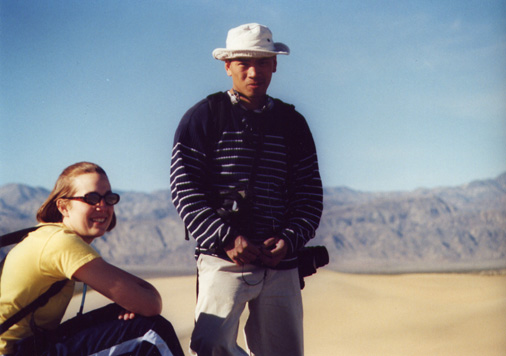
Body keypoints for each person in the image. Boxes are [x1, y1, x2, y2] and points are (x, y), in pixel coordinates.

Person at [170, 23, 323, 356]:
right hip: (222, 257)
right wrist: (225, 238)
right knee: (210, 345)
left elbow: (309, 194)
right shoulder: (203, 117)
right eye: (244, 63)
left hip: (280, 262)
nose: (254, 71)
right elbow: (184, 188)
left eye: (263, 62)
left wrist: (290, 239)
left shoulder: (292, 123)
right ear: (227, 67)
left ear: (275, 65)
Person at [0, 162, 184, 356]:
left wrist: (130, 303)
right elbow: (151, 303)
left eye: (109, 198)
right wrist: (137, 299)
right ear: (63, 207)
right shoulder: (61, 243)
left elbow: (142, 300)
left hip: (31, 346)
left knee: (119, 318)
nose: (102, 206)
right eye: (92, 198)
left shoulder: (45, 234)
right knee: (151, 331)